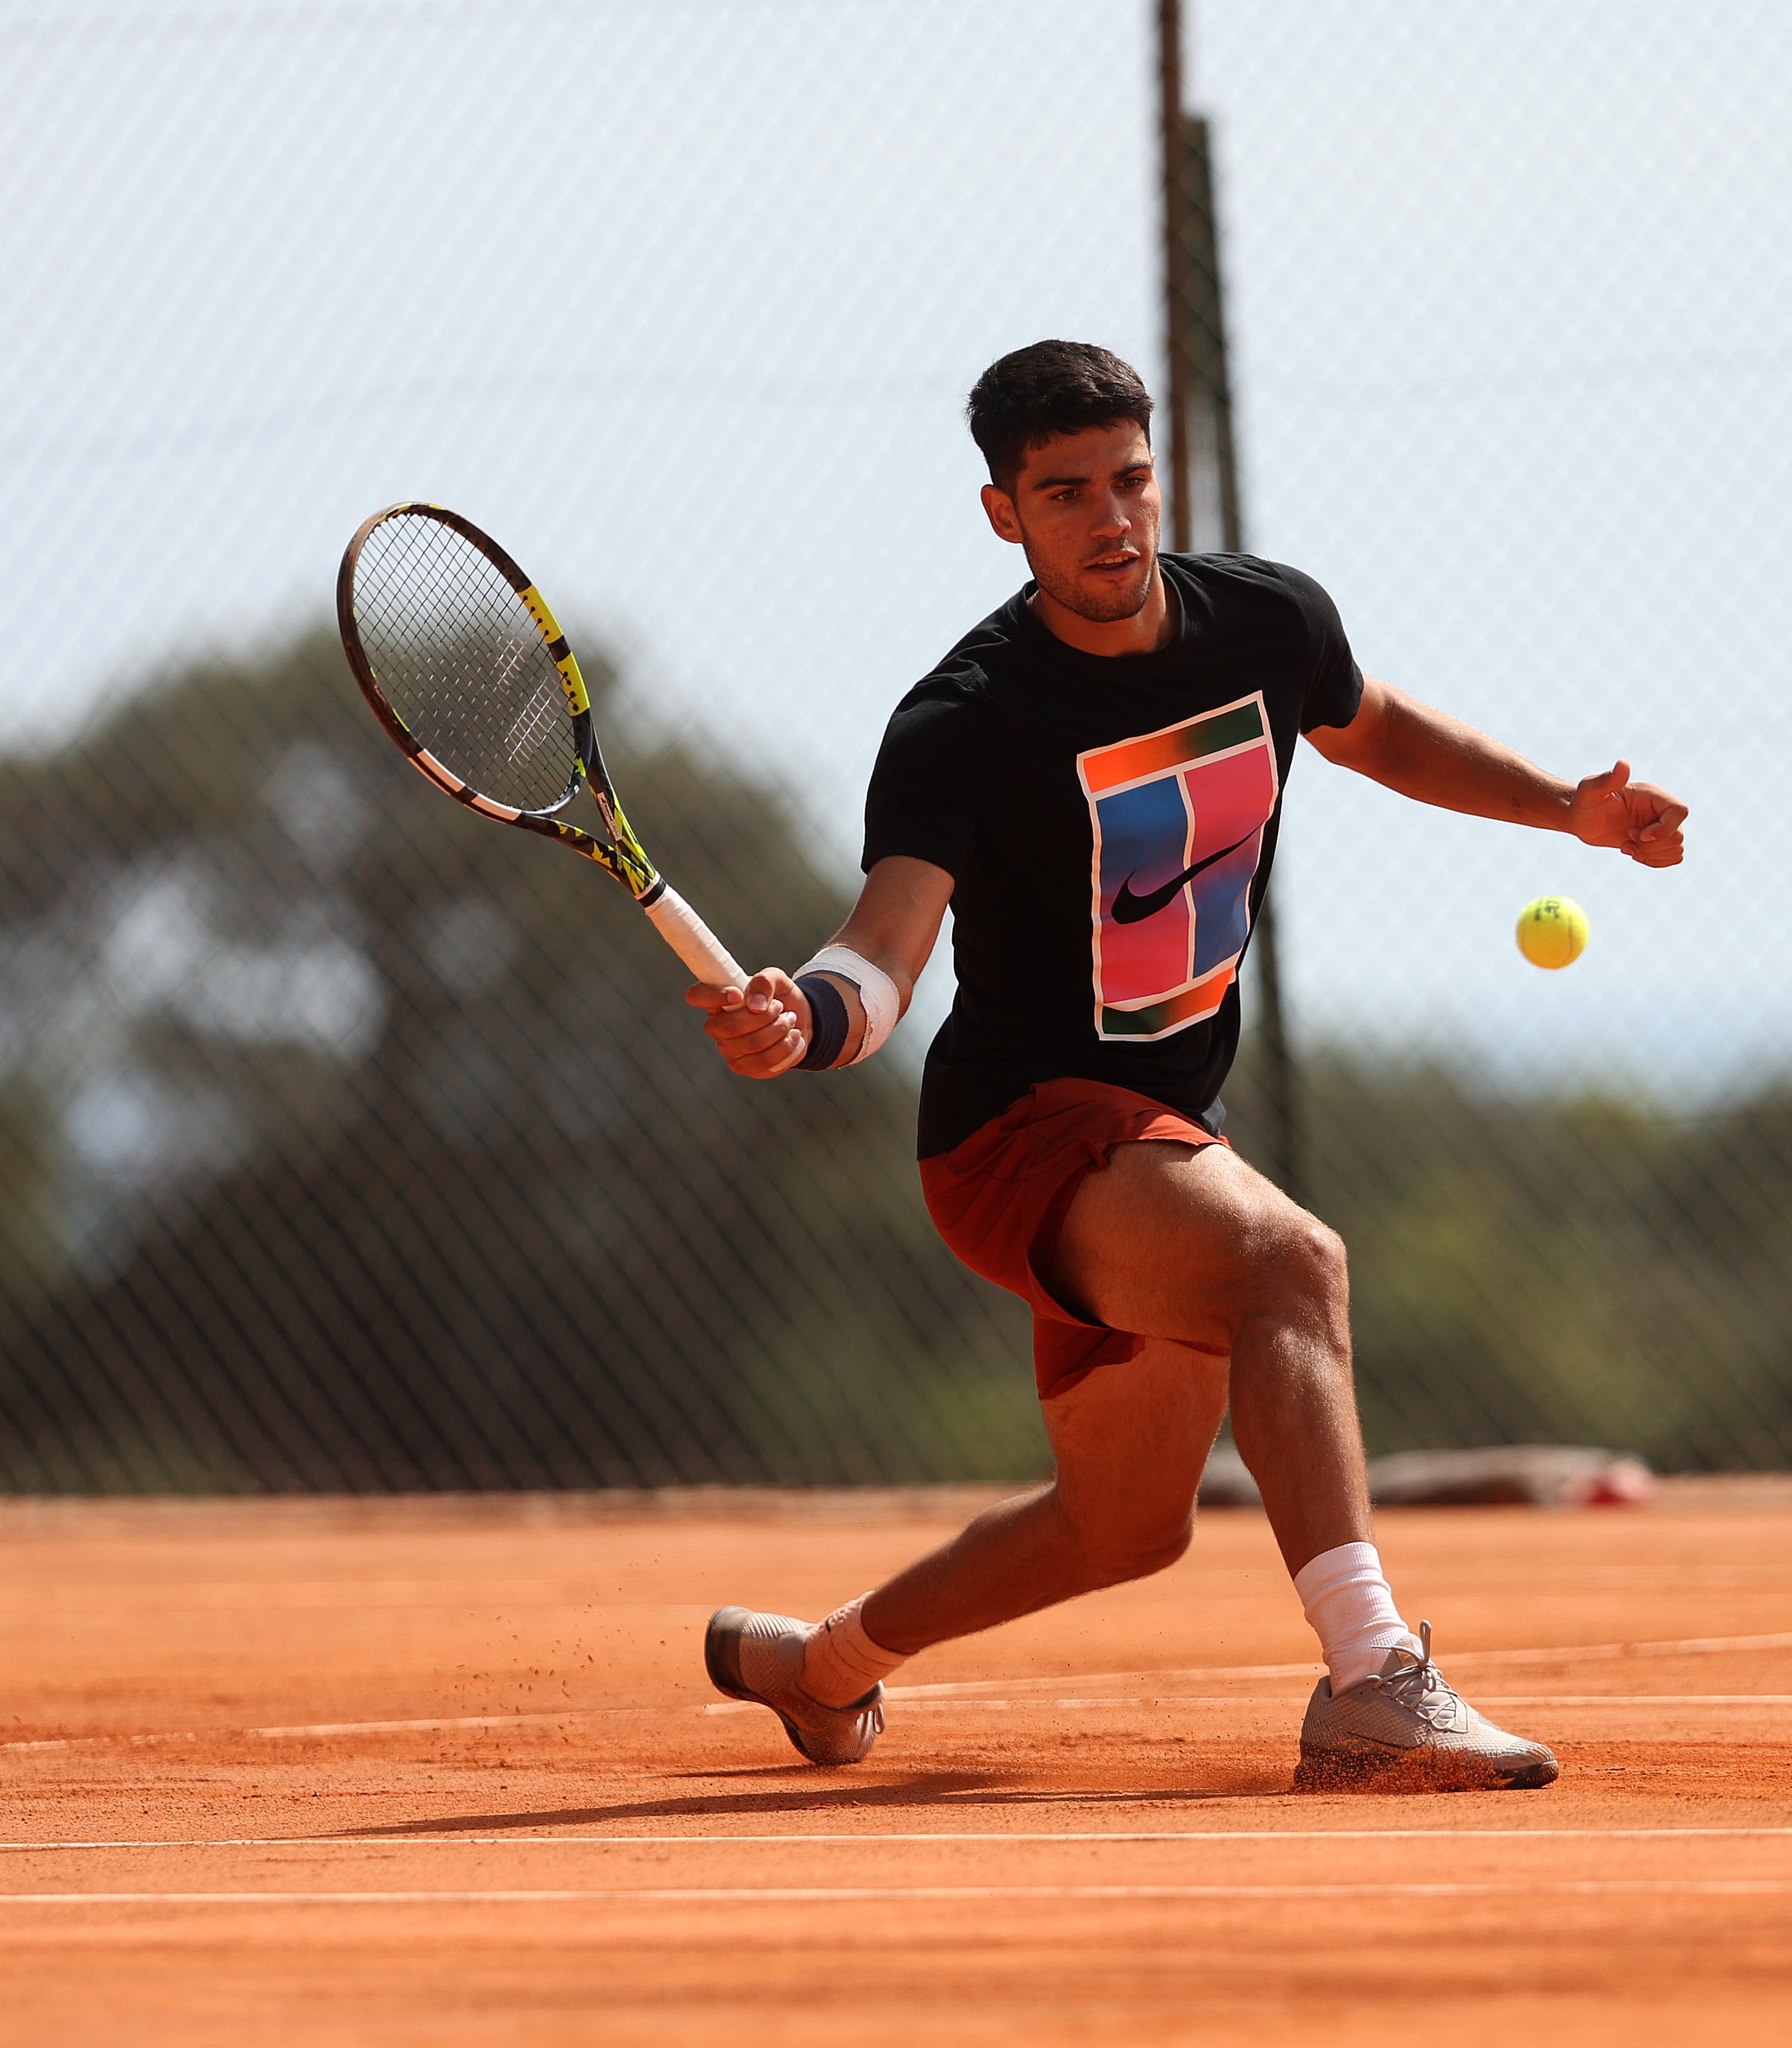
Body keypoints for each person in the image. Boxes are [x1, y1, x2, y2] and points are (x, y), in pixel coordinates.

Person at [690, 341, 1687, 1791]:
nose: (1109, 518)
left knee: (1123, 1525)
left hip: (1160, 1123)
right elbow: (883, 947)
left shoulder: (1265, 624)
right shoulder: (963, 720)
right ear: (1003, 515)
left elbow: (1378, 729)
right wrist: (812, 1014)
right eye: (1065, 492)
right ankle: (1372, 1681)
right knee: (1292, 1262)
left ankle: (820, 1666)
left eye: (1129, 480)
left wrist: (1568, 811)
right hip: (1015, 1137)